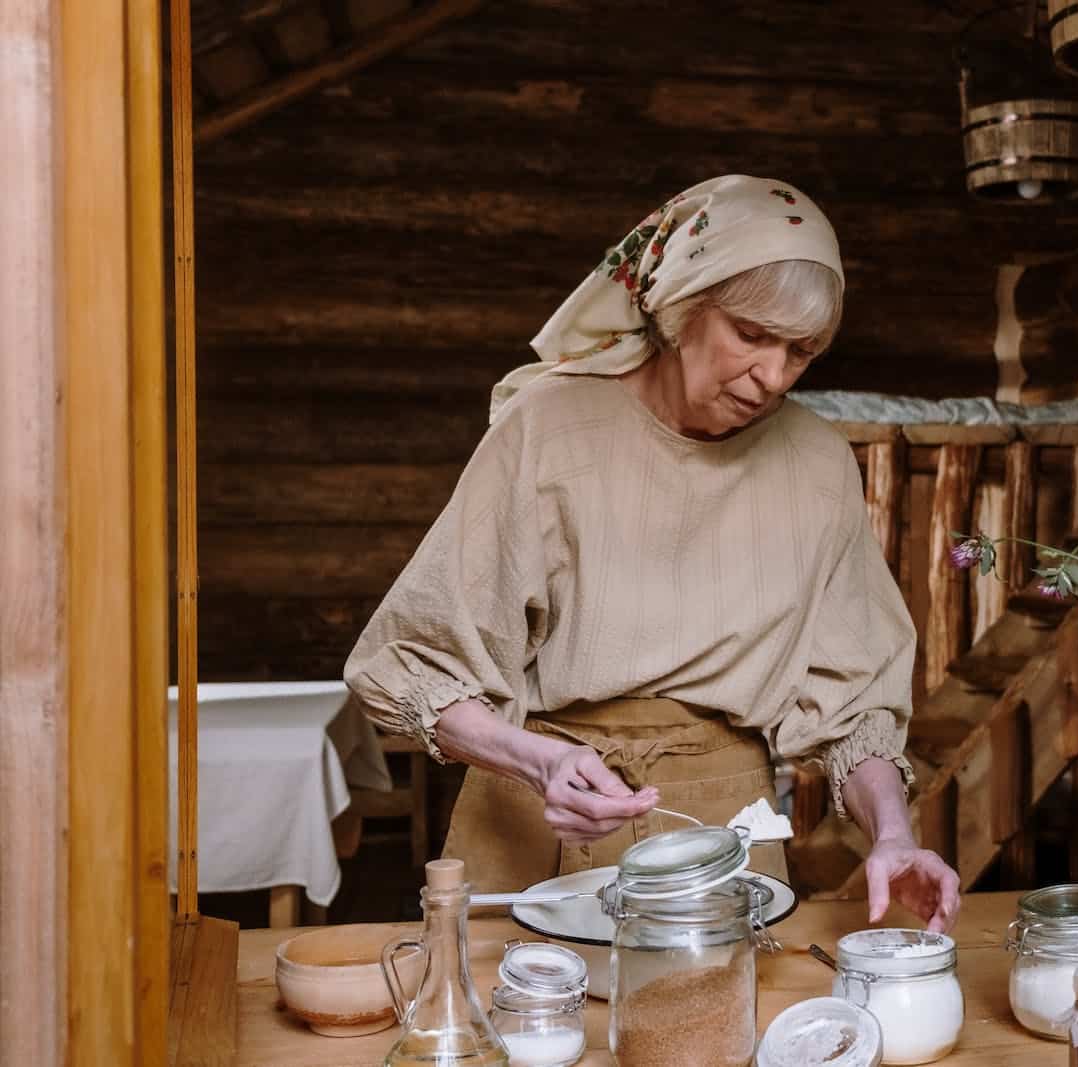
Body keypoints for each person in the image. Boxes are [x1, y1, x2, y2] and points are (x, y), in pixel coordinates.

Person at [345, 175, 960, 931]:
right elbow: (411, 665)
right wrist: (535, 761)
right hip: (535, 819)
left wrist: (893, 834)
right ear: (683, 307)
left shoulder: (818, 465)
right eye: (752, 334)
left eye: (801, 351)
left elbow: (853, 708)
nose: (772, 376)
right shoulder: (551, 428)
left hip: (717, 840)